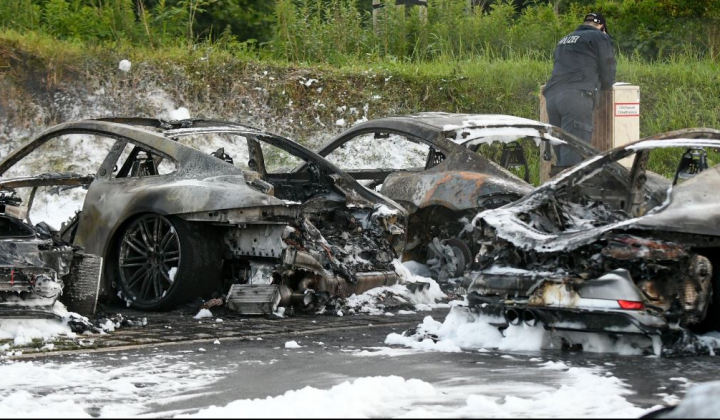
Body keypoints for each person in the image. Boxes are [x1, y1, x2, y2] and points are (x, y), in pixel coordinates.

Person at [543, 12, 616, 169]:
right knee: (574, 155)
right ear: (602, 27)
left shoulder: (564, 40)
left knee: (562, 151)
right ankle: (570, 191)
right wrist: (606, 86)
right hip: (575, 98)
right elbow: (608, 70)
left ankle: (558, 190)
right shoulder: (600, 37)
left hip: (552, 98)